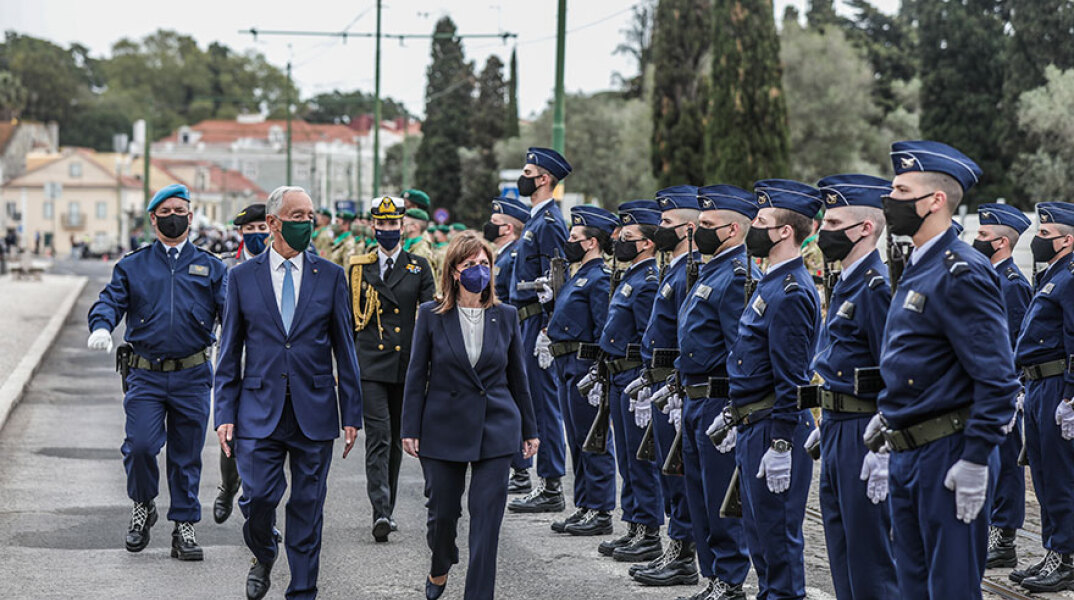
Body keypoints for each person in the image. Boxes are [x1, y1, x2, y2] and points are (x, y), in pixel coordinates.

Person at [872, 140, 1019, 599]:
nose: (889, 200)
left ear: (935, 200)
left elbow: (997, 378)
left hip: (948, 453)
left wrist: (976, 458)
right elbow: (919, 357)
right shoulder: (920, 263)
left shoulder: (962, 270)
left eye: (901, 191)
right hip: (909, 450)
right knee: (913, 585)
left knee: (951, 587)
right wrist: (889, 411)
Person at [214, 185, 363, 600]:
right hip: (258, 410)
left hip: (315, 411)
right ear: (273, 223)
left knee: (308, 509)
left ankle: (302, 590)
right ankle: (264, 552)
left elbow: (345, 349)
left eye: (310, 216)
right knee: (258, 499)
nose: (307, 223)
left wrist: (352, 413)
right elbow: (229, 353)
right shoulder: (241, 278)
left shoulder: (330, 276)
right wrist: (223, 414)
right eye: (298, 216)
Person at [87, 183, 226, 560]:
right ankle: (143, 504)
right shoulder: (133, 265)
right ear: (153, 219)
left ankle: (184, 527)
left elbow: (231, 314)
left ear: (190, 217)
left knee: (186, 454)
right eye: (165, 212)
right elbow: (110, 300)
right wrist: (102, 326)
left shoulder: (212, 267)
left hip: (192, 374)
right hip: (145, 373)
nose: (173, 218)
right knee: (141, 447)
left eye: (180, 211)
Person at [402, 232, 539, 600]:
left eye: (484, 264)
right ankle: (440, 563)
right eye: (470, 265)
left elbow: (518, 377)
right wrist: (410, 427)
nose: (479, 270)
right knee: (442, 515)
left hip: (496, 425)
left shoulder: (505, 315)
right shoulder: (431, 315)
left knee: (486, 521)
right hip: (443, 425)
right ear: (454, 271)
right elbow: (416, 375)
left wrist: (530, 429)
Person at [714, 179, 822, 600]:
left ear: (784, 231)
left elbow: (791, 378)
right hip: (753, 422)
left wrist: (780, 443)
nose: (753, 228)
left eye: (761, 221)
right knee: (760, 537)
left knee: (778, 539)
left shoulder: (791, 290)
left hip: (775, 426)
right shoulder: (771, 282)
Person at [808, 174, 898, 599]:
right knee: (841, 543)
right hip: (837, 425)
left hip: (864, 433)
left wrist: (886, 445)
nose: (823, 232)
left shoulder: (875, 287)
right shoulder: (846, 281)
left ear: (864, 228)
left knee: (869, 553)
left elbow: (892, 372)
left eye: (832, 224)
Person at [674, 185, 757, 600]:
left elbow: (738, 349)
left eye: (707, 224)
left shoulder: (737, 275)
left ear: (732, 230)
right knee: (701, 495)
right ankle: (713, 577)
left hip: (717, 399)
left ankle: (730, 578)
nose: (698, 231)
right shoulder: (710, 270)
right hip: (694, 397)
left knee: (722, 497)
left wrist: (734, 408)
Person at [347, 196, 436, 542]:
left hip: (405, 364)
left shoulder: (419, 267)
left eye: (393, 224)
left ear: (402, 226)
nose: (387, 229)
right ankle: (380, 511)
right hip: (370, 364)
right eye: (381, 224)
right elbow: (348, 321)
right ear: (373, 226)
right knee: (379, 437)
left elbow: (429, 316)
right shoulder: (359, 268)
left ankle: (389, 507)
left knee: (397, 439)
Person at [624, 185, 700, 587]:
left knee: (677, 474)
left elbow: (688, 336)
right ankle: (675, 548)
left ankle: (683, 554)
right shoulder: (674, 268)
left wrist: (676, 384)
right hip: (659, 383)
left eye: (667, 222)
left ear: (688, 229)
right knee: (666, 471)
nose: (660, 228)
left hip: (675, 385)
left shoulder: (689, 271)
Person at [538, 205, 616, 535]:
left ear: (591, 242)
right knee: (577, 440)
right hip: (567, 364)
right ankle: (584, 505)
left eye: (574, 237)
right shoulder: (578, 274)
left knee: (593, 439)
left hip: (584, 365)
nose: (568, 242)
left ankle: (600, 510)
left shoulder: (598, 278)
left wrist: (599, 372)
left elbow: (602, 328)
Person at [595, 200, 664, 564]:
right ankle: (634, 524)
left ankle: (649, 531)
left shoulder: (648, 280)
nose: (620, 241)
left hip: (634, 375)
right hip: (618, 374)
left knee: (640, 459)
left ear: (647, 243)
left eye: (628, 236)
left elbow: (646, 337)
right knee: (626, 455)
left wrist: (644, 383)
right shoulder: (630, 276)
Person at [1010, 202, 1074, 592]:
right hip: (1036, 385)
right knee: (1044, 474)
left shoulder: (1071, 276)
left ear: (1067, 240)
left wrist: (1071, 396)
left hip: (1055, 387)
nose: (1038, 239)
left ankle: (1066, 558)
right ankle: (1053, 549)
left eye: (1046, 234)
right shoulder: (1052, 274)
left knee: (1060, 475)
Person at [506, 148, 571, 514]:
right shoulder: (536, 219)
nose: (524, 177)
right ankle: (543, 481)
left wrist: (549, 327)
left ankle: (551, 484)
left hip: (537, 321)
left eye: (529, 172)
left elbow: (557, 280)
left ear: (545, 179)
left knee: (544, 405)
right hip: (525, 319)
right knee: (532, 399)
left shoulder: (549, 223)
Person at [970, 203, 1032, 570]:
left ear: (1001, 243)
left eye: (983, 235)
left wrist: (1010, 391)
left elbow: (1016, 344)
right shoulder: (987, 278)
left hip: (1002, 391)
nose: (975, 240)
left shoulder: (1011, 284)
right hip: (980, 387)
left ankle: (1003, 536)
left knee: (1007, 461)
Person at [213, 202, 272, 525]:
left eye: (262, 229)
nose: (256, 235)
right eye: (250, 230)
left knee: (265, 440)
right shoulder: (226, 267)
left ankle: (261, 511)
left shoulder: (280, 264)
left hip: (268, 362)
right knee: (231, 431)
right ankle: (228, 486)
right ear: (240, 233)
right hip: (234, 359)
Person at [483, 195, 534, 492]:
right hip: (497, 333)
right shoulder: (501, 255)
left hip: (507, 334)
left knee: (512, 400)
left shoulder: (513, 256)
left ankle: (521, 471)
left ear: (508, 229)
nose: (489, 226)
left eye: (495, 223)